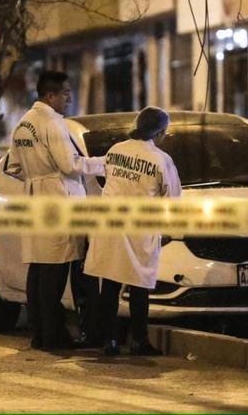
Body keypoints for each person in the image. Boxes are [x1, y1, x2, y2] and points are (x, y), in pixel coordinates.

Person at [7, 70, 105, 351]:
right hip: (57, 199)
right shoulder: (53, 123)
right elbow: (70, 164)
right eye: (65, 92)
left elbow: (13, 167)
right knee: (54, 271)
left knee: (38, 269)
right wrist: (102, 164)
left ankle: (40, 334)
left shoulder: (24, 123)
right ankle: (53, 336)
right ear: (50, 96)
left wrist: (35, 178)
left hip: (35, 197)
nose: (70, 97)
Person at [85, 106, 182, 356]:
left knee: (109, 283)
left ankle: (110, 340)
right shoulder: (160, 159)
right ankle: (139, 340)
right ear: (159, 132)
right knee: (139, 286)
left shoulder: (116, 150)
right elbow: (172, 198)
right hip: (139, 227)